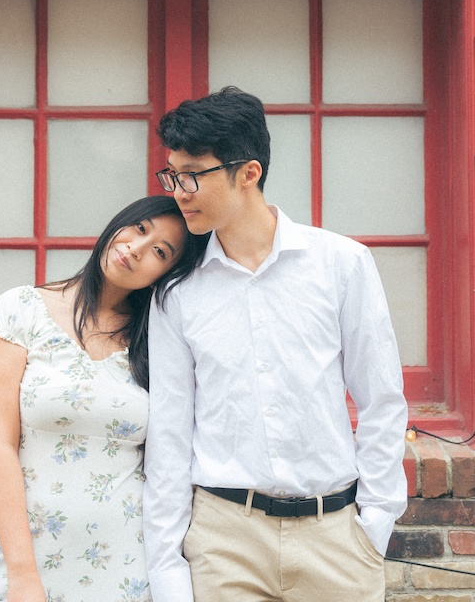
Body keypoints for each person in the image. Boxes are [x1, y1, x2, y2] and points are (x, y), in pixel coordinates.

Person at [144, 87, 409, 602]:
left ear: (248, 173)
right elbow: (170, 435)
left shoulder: (342, 264)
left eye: (193, 174)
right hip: (224, 541)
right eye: (172, 174)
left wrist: (373, 524)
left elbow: (381, 399)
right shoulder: (178, 293)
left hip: (335, 538)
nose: (179, 191)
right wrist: (168, 567)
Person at [0, 196, 208, 602]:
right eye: (140, 229)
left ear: (167, 272)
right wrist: (23, 577)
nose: (136, 249)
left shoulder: (157, 340)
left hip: (126, 563)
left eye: (159, 252)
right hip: (26, 557)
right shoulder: (21, 310)